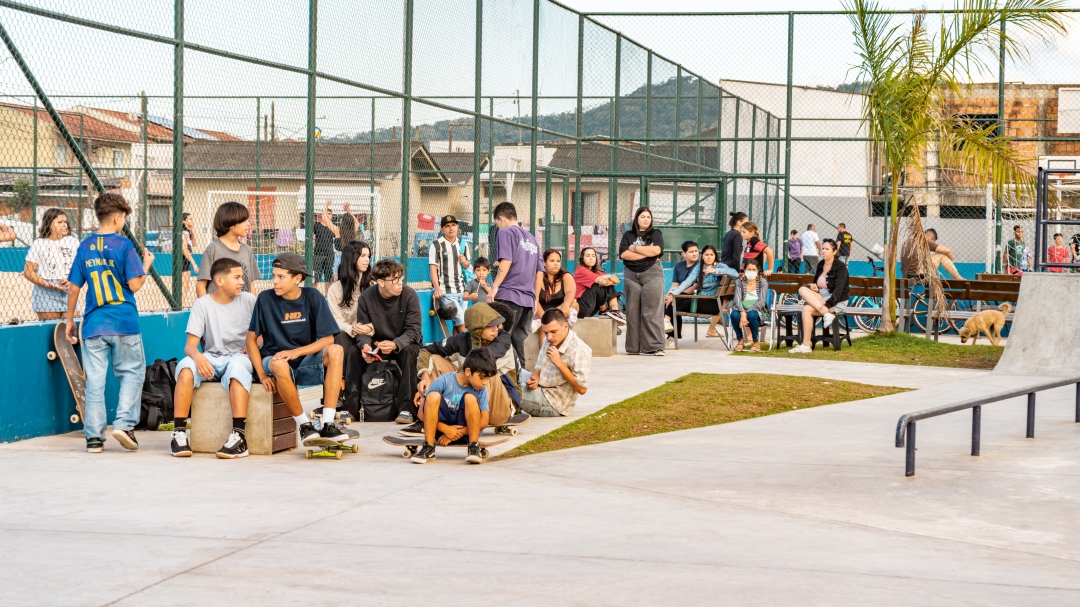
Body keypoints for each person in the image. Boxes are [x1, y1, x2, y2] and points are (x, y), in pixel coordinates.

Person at [64, 193, 155, 453]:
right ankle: (124, 425)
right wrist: (146, 265)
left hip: (93, 325)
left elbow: (73, 288)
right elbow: (135, 284)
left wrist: (70, 321)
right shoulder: (124, 246)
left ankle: (93, 437)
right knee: (132, 373)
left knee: (94, 380)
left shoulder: (85, 246)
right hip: (124, 322)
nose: (123, 223)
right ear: (117, 217)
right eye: (124, 218)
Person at [246, 252, 346, 447]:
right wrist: (262, 374)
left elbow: (327, 338)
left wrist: (297, 352)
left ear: (297, 278)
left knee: (336, 350)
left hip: (305, 361)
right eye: (273, 276)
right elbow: (250, 340)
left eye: (281, 277)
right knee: (278, 362)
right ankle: (304, 426)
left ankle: (328, 424)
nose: (274, 281)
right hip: (275, 363)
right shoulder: (265, 299)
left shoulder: (312, 296)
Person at [170, 258, 257, 458]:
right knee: (185, 368)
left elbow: (262, 336)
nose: (241, 281)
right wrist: (198, 357)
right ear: (219, 280)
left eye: (241, 277)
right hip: (211, 357)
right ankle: (179, 434)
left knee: (237, 367)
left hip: (240, 355)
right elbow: (189, 346)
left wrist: (251, 347)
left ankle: (239, 437)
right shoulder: (202, 304)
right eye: (236, 277)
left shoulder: (250, 300)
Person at [407, 302, 519, 437]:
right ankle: (430, 415)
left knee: (484, 374)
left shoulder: (503, 340)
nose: (496, 329)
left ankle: (466, 428)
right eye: (491, 326)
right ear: (478, 328)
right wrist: (425, 378)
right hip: (464, 401)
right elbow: (426, 351)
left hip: (501, 405)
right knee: (435, 358)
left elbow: (480, 365)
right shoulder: (462, 339)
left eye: (497, 325)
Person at [353, 258, 424, 424]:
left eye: (401, 278)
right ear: (380, 282)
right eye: (394, 280)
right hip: (376, 343)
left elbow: (414, 330)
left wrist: (396, 344)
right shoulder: (366, 297)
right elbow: (362, 330)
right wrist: (365, 347)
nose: (400, 283)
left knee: (409, 353)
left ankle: (406, 408)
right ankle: (352, 406)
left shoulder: (409, 295)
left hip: (404, 344)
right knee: (353, 353)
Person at [410, 348, 498, 465]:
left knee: (470, 397)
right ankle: (429, 447)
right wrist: (446, 429)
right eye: (482, 378)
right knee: (433, 396)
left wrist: (456, 433)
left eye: (488, 378)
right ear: (468, 371)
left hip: (468, 433)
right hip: (440, 432)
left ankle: (473, 447)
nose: (485, 382)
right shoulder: (444, 381)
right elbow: (421, 413)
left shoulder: (481, 390)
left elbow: (484, 421)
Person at [487, 202, 542, 368]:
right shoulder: (532, 239)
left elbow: (508, 261)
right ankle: (521, 377)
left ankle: (499, 379)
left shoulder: (505, 232)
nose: (498, 227)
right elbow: (539, 272)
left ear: (501, 219)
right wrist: (535, 299)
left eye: (497, 223)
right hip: (528, 300)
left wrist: (495, 287)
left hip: (510, 295)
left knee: (501, 337)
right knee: (518, 340)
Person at [327, 240, 375, 416]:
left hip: (370, 333)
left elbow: (377, 316)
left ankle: (352, 395)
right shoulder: (335, 289)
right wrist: (351, 329)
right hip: (348, 332)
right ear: (351, 258)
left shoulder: (372, 285)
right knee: (338, 339)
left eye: (368, 256)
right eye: (362, 256)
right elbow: (335, 320)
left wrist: (368, 329)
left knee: (353, 343)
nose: (367, 260)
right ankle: (339, 391)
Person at [521, 308, 591, 417]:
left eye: (553, 332)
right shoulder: (549, 339)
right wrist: (534, 379)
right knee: (507, 373)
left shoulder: (579, 349)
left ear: (566, 326)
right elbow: (539, 365)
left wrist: (559, 363)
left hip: (553, 403)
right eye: (545, 332)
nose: (549, 337)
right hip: (542, 385)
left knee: (508, 387)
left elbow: (582, 388)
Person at [619, 207, 666, 356]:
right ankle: (633, 347)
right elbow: (624, 254)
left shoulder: (655, 234)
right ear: (636, 219)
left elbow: (657, 251)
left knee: (652, 310)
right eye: (642, 216)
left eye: (648, 217)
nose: (646, 219)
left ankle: (655, 346)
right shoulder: (628, 235)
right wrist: (646, 252)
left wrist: (634, 248)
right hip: (631, 275)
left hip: (652, 273)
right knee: (632, 311)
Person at [789, 239, 849, 354]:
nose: (824, 251)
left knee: (806, 310)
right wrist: (816, 288)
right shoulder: (821, 264)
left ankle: (805, 345)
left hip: (836, 300)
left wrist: (827, 305)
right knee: (802, 289)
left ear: (834, 251)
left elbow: (838, 291)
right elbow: (816, 282)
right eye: (823, 248)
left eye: (827, 249)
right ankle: (826, 314)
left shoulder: (841, 267)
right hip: (821, 297)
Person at [23, 208, 79, 321]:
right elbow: (28, 271)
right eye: (59, 222)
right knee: (52, 330)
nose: (64, 225)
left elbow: (80, 267)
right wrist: (47, 284)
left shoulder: (73, 241)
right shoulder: (39, 243)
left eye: (65, 222)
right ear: (48, 224)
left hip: (69, 289)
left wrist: (73, 280)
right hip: (46, 292)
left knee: (71, 330)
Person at [197, 201, 260, 297]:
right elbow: (201, 285)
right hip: (219, 310)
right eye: (244, 221)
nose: (249, 224)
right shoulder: (213, 249)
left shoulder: (247, 250)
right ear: (231, 222)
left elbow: (251, 285)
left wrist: (254, 309)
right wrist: (207, 310)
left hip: (242, 310)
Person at [681, 245, 738, 339]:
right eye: (706, 254)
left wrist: (716, 270)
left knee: (674, 305)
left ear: (715, 256)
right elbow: (688, 281)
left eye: (711, 254)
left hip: (710, 302)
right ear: (702, 256)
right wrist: (674, 293)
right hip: (700, 299)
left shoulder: (719, 266)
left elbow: (735, 274)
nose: (709, 257)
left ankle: (670, 333)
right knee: (673, 302)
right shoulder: (699, 267)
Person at [429, 214, 472, 334]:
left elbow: (468, 266)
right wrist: (437, 289)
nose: (451, 228)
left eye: (453, 225)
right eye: (447, 226)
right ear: (442, 229)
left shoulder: (463, 244)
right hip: (446, 292)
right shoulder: (436, 245)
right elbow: (433, 269)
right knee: (462, 323)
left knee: (457, 324)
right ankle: (470, 350)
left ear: (457, 227)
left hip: (462, 291)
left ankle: (456, 351)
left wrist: (465, 262)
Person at [663, 240, 700, 347]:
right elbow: (675, 284)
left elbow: (696, 286)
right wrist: (669, 294)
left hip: (694, 296)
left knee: (675, 301)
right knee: (666, 301)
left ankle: (671, 335)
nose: (695, 254)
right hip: (679, 295)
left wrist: (676, 295)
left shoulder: (700, 265)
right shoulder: (679, 266)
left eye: (696, 251)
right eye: (691, 251)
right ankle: (669, 331)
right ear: (684, 254)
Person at [573, 247, 624, 322]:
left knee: (607, 285)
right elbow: (603, 282)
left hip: (590, 306)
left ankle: (615, 311)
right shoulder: (580, 270)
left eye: (593, 256)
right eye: (588, 256)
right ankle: (604, 311)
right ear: (582, 258)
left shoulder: (596, 271)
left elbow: (617, 281)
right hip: (580, 308)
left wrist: (608, 278)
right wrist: (608, 278)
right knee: (596, 285)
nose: (591, 258)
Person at [730, 258, 769, 352]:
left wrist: (746, 313)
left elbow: (761, 302)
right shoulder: (739, 282)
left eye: (753, 269)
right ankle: (740, 340)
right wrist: (743, 312)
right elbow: (737, 299)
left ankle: (756, 342)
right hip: (741, 309)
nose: (751, 272)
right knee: (734, 315)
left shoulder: (762, 282)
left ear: (758, 270)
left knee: (751, 315)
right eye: (749, 269)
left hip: (758, 311)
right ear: (744, 270)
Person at [534, 248, 576, 329]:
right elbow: (535, 300)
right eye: (552, 261)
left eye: (558, 261)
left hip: (560, 311)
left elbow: (570, 292)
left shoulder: (566, 276)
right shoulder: (539, 276)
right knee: (547, 327)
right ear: (544, 263)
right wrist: (545, 317)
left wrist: (566, 305)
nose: (556, 264)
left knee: (574, 305)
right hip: (540, 312)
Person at [313, 200, 339, 293]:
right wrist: (325, 206)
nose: (328, 215)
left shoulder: (332, 227)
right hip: (318, 254)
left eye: (329, 213)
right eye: (326, 213)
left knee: (328, 277)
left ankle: (327, 296)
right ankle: (313, 295)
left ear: (331, 216)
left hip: (329, 254)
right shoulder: (316, 225)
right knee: (315, 277)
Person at [180, 212, 199, 304]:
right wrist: (194, 263)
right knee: (183, 286)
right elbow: (184, 250)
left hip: (186, 260)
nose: (192, 221)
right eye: (190, 219)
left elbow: (194, 244)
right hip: (182, 259)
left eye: (192, 219)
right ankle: (180, 305)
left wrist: (193, 232)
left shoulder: (187, 232)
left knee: (185, 286)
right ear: (184, 221)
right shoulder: (183, 233)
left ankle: (181, 304)